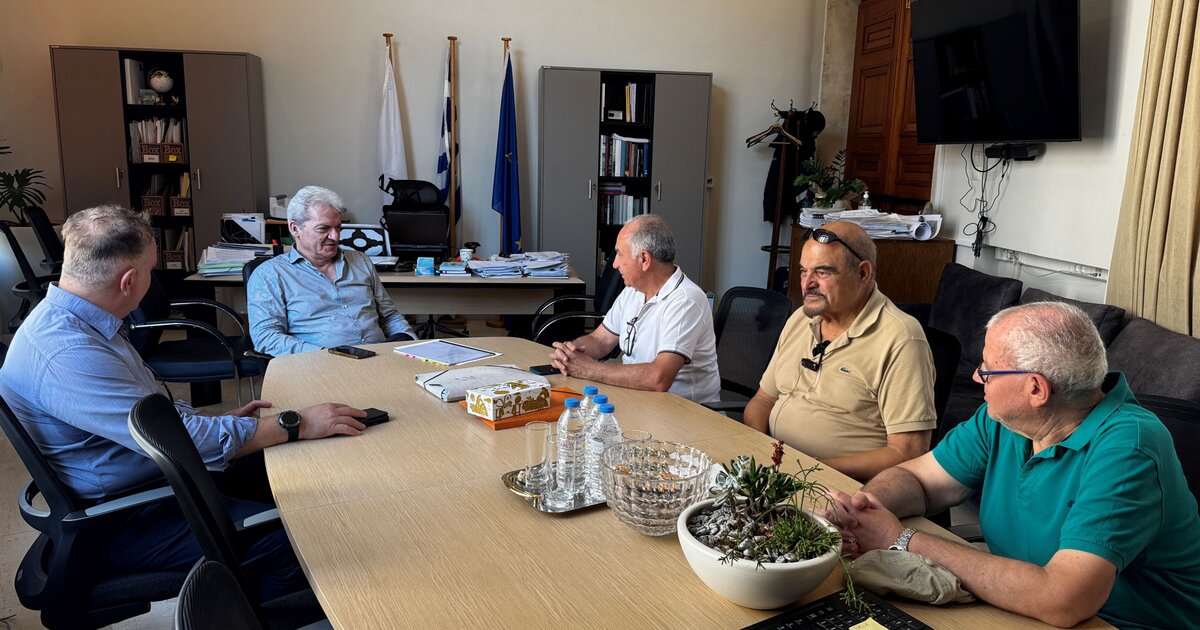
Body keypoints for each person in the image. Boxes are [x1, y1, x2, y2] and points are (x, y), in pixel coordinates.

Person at [0, 204, 370, 601]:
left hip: (151, 476)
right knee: (301, 537)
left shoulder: (79, 320)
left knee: (295, 472)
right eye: (150, 271)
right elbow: (182, 443)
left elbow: (149, 412)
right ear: (129, 281)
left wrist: (224, 423)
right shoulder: (68, 352)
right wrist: (296, 423)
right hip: (127, 513)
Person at [826, 302, 1200, 628]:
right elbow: (919, 479)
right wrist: (862, 509)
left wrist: (900, 539)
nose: (977, 377)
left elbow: (1064, 599)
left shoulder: (1129, 447)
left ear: (1036, 389)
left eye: (988, 370)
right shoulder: (1005, 419)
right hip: (1018, 609)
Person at [744, 221, 936, 481]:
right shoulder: (801, 318)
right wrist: (759, 452)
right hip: (776, 471)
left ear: (862, 273)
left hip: (842, 486)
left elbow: (907, 452)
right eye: (803, 271)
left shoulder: (901, 339)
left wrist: (813, 470)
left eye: (822, 272)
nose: (807, 283)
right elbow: (763, 401)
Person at [548, 214, 720, 403]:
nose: (615, 264)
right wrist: (570, 353)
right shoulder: (633, 290)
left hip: (684, 411)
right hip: (639, 398)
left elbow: (659, 377)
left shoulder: (686, 300)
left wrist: (588, 369)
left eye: (620, 254)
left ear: (644, 259)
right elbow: (600, 340)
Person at [248, 185, 414, 356]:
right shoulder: (270, 274)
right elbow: (266, 337)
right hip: (319, 364)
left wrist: (408, 340)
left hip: (379, 358)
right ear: (295, 228)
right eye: (323, 228)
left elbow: (389, 316)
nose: (335, 237)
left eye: (338, 228)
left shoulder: (361, 261)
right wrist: (327, 355)